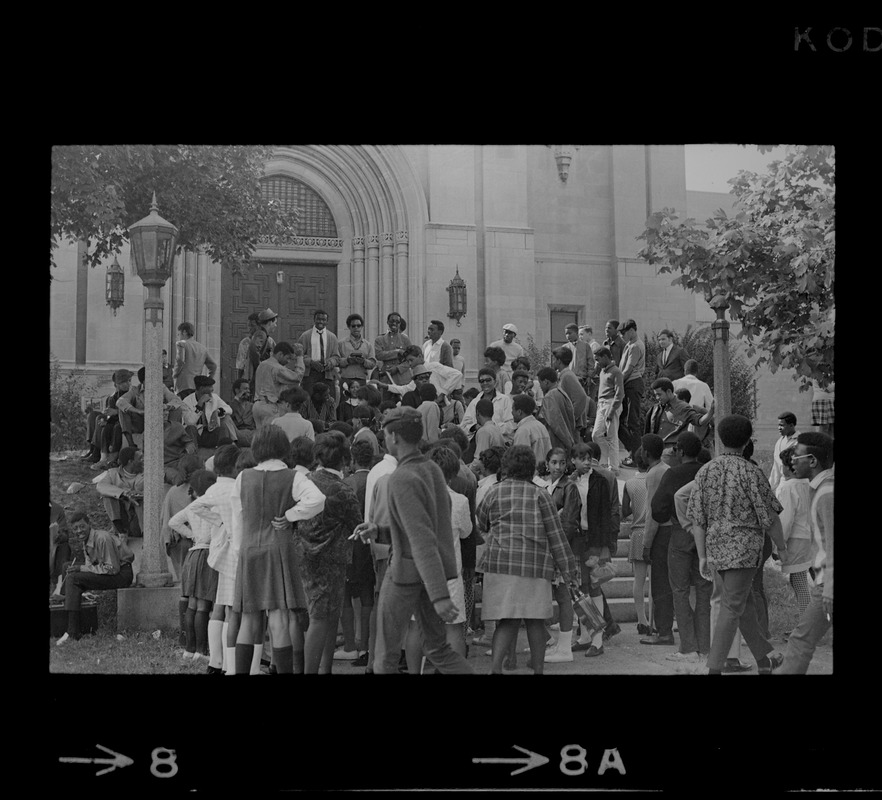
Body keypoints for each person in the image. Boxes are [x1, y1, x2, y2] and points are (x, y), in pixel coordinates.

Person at [352, 406, 473, 674]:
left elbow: (420, 537)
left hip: (406, 572)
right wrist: (380, 530)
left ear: (394, 436)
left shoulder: (401, 477)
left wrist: (440, 596)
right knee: (438, 650)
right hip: (432, 570)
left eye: (384, 434)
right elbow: (422, 526)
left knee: (384, 658)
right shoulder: (431, 468)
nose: (384, 439)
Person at [687, 414, 786, 675]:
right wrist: (782, 549)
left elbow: (697, 518)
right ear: (746, 441)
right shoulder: (751, 471)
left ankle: (766, 659)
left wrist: (702, 556)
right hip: (744, 550)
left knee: (742, 605)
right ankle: (714, 668)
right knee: (735, 607)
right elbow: (771, 517)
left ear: (719, 437)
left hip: (716, 549)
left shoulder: (705, 471)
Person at [230, 425, 324, 675]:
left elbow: (236, 519)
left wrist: (240, 552)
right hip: (279, 550)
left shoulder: (242, 477)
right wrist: (291, 515)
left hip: (249, 550)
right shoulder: (294, 477)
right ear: (284, 448)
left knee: (248, 618)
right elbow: (318, 500)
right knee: (279, 617)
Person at [477, 445, 577, 674]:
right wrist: (569, 571)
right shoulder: (541, 494)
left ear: (507, 466)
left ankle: (496, 668)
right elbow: (556, 536)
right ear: (532, 468)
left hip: (499, 565)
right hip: (535, 565)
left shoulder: (493, 491)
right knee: (535, 620)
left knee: (507, 620)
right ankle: (538, 670)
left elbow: (481, 523)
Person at [289, 431, 362, 674]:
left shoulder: (303, 481)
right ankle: (320, 669)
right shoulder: (343, 490)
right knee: (325, 617)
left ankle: (319, 669)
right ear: (344, 458)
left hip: (302, 555)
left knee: (318, 616)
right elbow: (357, 525)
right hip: (332, 559)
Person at [650, 431, 712, 662]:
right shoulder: (707, 472)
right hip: (705, 536)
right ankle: (704, 646)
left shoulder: (673, 474)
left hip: (680, 533)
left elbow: (657, 508)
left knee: (680, 591)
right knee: (704, 591)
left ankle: (687, 647)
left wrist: (673, 518)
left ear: (681, 452)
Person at [776, 432, 833, 674]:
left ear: (812, 461)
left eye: (796, 456)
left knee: (801, 639)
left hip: (827, 585)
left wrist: (829, 588)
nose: (791, 462)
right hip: (825, 581)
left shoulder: (826, 493)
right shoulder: (817, 488)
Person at [183, 444, 241, 674]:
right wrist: (224, 524)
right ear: (236, 466)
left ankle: (215, 661)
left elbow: (196, 506)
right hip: (234, 551)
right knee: (232, 609)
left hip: (217, 550)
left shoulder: (214, 490)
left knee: (219, 606)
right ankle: (229, 662)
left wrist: (217, 522)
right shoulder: (237, 488)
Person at [55, 510, 134, 645]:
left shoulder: (102, 538)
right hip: (110, 570)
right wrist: (83, 572)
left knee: (74, 578)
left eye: (82, 527)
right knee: (67, 567)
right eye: (75, 529)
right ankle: (62, 605)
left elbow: (112, 569)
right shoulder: (86, 539)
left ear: (89, 525)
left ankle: (72, 631)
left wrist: (81, 570)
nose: (79, 531)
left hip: (122, 574)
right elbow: (90, 564)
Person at [569, 442, 616, 656]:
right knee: (579, 589)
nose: (586, 461)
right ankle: (586, 636)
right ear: (573, 460)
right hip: (575, 539)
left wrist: (604, 545)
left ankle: (597, 639)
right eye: (581, 457)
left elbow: (605, 514)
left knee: (594, 586)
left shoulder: (600, 481)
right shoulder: (569, 482)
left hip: (594, 539)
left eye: (589, 457)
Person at [167, 469, 219, 661]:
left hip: (192, 555)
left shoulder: (192, 506)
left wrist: (191, 535)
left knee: (192, 604)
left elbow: (174, 522)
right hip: (206, 554)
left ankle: (189, 649)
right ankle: (202, 651)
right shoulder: (211, 505)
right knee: (203, 605)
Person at [335, 440, 376, 663]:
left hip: (349, 542)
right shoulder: (376, 478)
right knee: (368, 592)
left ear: (352, 459)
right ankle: (366, 645)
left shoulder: (348, 483)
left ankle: (350, 643)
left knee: (345, 594)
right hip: (370, 541)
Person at [541, 447, 581, 663]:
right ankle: (550, 642)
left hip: (562, 548)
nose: (558, 467)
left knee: (564, 596)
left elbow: (569, 521)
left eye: (562, 463)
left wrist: (557, 544)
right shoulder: (544, 485)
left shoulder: (569, 487)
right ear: (547, 463)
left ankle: (565, 647)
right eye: (554, 462)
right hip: (548, 548)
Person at [637, 433, 674, 646]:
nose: (640, 451)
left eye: (642, 448)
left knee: (659, 585)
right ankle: (664, 628)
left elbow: (652, 512)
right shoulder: (666, 469)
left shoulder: (653, 475)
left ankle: (664, 632)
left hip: (661, 532)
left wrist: (646, 543)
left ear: (647, 452)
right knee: (667, 583)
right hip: (672, 530)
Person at [775, 446, 816, 617]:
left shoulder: (788, 487)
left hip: (795, 540)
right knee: (805, 579)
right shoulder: (809, 484)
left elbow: (785, 520)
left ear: (788, 466)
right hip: (810, 538)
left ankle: (806, 624)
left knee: (799, 582)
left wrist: (779, 545)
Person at [645, 378, 714, 468]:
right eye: (656, 395)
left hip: (672, 454)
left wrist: (711, 411)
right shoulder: (657, 408)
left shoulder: (682, 407)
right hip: (657, 452)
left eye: (659, 394)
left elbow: (699, 421)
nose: (657, 398)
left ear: (669, 392)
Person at [116, 366, 184, 450]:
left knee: (177, 409)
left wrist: (166, 406)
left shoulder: (161, 388)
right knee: (123, 410)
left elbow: (176, 400)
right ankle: (131, 444)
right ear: (144, 381)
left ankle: (172, 440)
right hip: (142, 422)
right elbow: (120, 402)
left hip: (159, 421)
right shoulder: (135, 390)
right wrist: (138, 411)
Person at [622, 448, 651, 635]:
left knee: (638, 580)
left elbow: (625, 510)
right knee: (655, 580)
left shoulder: (629, 483)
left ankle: (642, 619)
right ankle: (655, 619)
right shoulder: (655, 478)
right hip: (653, 531)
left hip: (637, 532)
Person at [82, 368, 133, 467]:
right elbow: (110, 413)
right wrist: (106, 419)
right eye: (123, 382)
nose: (127, 384)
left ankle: (98, 454)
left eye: (129, 381)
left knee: (105, 423)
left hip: (126, 422)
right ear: (116, 385)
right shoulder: (113, 397)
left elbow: (132, 411)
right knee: (95, 416)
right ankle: (93, 451)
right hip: (116, 420)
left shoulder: (132, 394)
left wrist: (115, 413)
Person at [252, 341, 306, 430]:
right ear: (280, 354)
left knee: (261, 437)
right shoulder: (277, 368)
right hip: (270, 407)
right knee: (272, 437)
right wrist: (300, 357)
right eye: (288, 358)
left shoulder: (262, 364)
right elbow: (297, 377)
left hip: (257, 405)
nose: (288, 362)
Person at [95, 447, 144, 537]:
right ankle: (121, 532)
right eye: (140, 458)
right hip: (123, 517)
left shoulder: (146, 473)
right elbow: (100, 486)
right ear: (130, 461)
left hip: (140, 520)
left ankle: (146, 535)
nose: (143, 460)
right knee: (107, 497)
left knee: (139, 502)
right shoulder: (113, 473)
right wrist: (125, 494)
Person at [617, 319, 646, 468]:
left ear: (632, 331)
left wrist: (617, 383)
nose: (622, 335)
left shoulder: (635, 346)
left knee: (632, 422)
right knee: (621, 422)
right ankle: (635, 452)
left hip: (632, 384)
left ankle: (637, 457)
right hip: (629, 384)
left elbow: (628, 369)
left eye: (624, 332)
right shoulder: (629, 345)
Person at [591, 346, 624, 474]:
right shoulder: (603, 371)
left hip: (611, 404)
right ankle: (605, 462)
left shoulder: (616, 371)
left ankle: (614, 467)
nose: (596, 362)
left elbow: (619, 394)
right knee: (596, 434)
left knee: (612, 437)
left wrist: (611, 411)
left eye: (598, 359)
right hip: (602, 404)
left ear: (605, 357)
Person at [181, 376, 238, 448]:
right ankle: (193, 456)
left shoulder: (214, 397)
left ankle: (223, 452)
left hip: (209, 433)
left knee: (222, 428)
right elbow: (190, 422)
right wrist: (199, 405)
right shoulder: (187, 401)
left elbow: (229, 409)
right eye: (210, 386)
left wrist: (217, 411)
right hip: (195, 435)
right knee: (190, 428)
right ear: (202, 389)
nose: (212, 389)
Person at [460, 368, 514, 443]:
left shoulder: (505, 400)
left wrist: (491, 428)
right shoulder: (475, 402)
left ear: (495, 381)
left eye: (488, 380)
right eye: (482, 381)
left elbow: (510, 425)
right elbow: (464, 425)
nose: (485, 383)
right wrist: (474, 427)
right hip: (479, 441)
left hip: (499, 442)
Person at [298, 309, 340, 398]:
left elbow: (336, 357)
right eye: (318, 319)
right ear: (314, 319)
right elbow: (299, 355)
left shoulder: (332, 337)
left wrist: (330, 363)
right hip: (311, 374)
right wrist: (311, 362)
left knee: (329, 400)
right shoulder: (305, 336)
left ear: (327, 321)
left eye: (323, 320)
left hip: (327, 373)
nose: (321, 322)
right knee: (309, 400)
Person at [537, 367, 576, 454]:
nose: (540, 387)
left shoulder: (550, 396)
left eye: (540, 383)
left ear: (546, 381)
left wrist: (568, 443)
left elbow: (556, 423)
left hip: (557, 442)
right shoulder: (561, 392)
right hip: (566, 439)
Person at [373, 312, 413, 396]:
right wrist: (397, 352)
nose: (394, 323)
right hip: (387, 376)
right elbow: (379, 355)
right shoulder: (380, 339)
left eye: (397, 322)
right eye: (392, 321)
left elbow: (411, 359)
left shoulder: (405, 339)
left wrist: (398, 368)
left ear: (400, 324)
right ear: (387, 322)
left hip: (402, 377)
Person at [552, 347, 589, 435]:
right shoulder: (563, 375)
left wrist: (571, 418)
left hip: (571, 426)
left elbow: (581, 397)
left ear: (559, 361)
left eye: (554, 359)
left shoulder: (567, 376)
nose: (553, 362)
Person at [173, 321, 218, 394]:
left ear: (184, 332)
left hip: (183, 384)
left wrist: (174, 374)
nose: (178, 336)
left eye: (179, 334)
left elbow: (180, 360)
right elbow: (213, 366)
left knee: (183, 404)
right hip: (197, 385)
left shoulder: (181, 344)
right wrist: (208, 379)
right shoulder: (202, 348)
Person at [337, 313, 377, 386]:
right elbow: (337, 361)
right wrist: (348, 360)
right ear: (349, 327)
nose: (356, 328)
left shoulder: (367, 345)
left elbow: (373, 363)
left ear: (362, 327)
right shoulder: (341, 343)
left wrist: (363, 361)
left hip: (361, 379)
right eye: (353, 326)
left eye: (358, 326)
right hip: (346, 378)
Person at [162, 405, 197, 485]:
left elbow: (189, 442)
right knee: (179, 478)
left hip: (180, 461)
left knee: (198, 473)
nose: (166, 413)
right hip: (164, 466)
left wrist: (189, 450)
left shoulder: (177, 426)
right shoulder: (148, 433)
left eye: (167, 410)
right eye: (162, 411)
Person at [511, 393, 551, 465]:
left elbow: (520, 461)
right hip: (544, 472)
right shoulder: (541, 426)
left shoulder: (523, 431)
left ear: (519, 412)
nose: (511, 413)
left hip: (530, 474)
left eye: (513, 410)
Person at [470, 398, 506, 471]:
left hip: (487, 473)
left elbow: (479, 460)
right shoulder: (497, 429)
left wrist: (468, 470)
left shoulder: (484, 431)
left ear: (477, 413)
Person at [247, 308, 279, 388]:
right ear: (269, 322)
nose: (275, 325)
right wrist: (260, 366)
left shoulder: (262, 334)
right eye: (275, 323)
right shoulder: (261, 334)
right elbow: (253, 350)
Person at [768, 412, 800, 491]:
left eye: (782, 425)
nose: (779, 428)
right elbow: (776, 468)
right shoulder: (779, 442)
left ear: (791, 425)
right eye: (778, 425)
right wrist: (770, 488)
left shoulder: (800, 441)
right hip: (782, 485)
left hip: (796, 484)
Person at [563, 322, 595, 388]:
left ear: (576, 333)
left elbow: (590, 362)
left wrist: (589, 376)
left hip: (582, 380)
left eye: (570, 333)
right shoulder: (565, 348)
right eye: (566, 334)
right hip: (568, 379)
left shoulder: (585, 346)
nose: (568, 336)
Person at [50, 500, 71, 595]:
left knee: (64, 548)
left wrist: (59, 535)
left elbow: (65, 536)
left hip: (53, 548)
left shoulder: (57, 509)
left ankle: (58, 586)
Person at [229, 378, 256, 447]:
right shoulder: (231, 405)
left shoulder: (252, 405)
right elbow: (230, 413)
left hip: (252, 432)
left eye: (248, 389)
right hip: (238, 433)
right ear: (237, 390)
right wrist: (237, 398)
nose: (248, 391)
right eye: (245, 389)